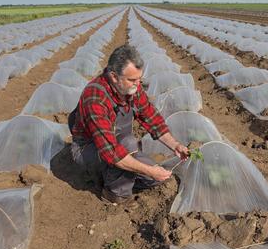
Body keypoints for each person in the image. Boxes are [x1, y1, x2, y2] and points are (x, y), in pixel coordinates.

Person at [69, 45, 189, 204]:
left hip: (117, 142)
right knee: (129, 149)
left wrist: (175, 145)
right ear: (113, 76)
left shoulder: (132, 87)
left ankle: (117, 174)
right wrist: (149, 170)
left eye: (139, 79)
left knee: (154, 180)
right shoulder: (95, 98)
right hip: (89, 147)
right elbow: (111, 152)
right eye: (132, 79)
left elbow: (151, 118)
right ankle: (113, 194)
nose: (137, 84)